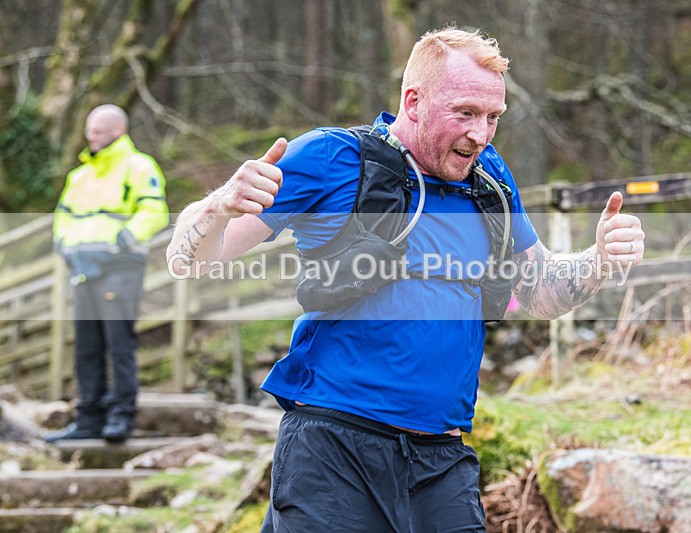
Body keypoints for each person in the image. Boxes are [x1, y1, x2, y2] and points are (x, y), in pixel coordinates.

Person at [167, 27, 645, 532]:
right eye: (465, 113)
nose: (480, 135)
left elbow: (541, 290)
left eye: (492, 118)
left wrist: (598, 261)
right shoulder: (331, 158)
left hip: (441, 458)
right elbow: (189, 261)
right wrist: (218, 207)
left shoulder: (491, 181)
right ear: (413, 101)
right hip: (334, 448)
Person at [46, 104, 169, 443]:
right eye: (89, 130)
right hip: (84, 270)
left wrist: (120, 242)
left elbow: (153, 210)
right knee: (86, 344)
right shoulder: (80, 175)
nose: (90, 136)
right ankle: (87, 419)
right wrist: (66, 247)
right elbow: (63, 217)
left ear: (117, 130)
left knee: (119, 343)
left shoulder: (139, 166)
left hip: (121, 268)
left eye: (97, 130)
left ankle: (121, 417)